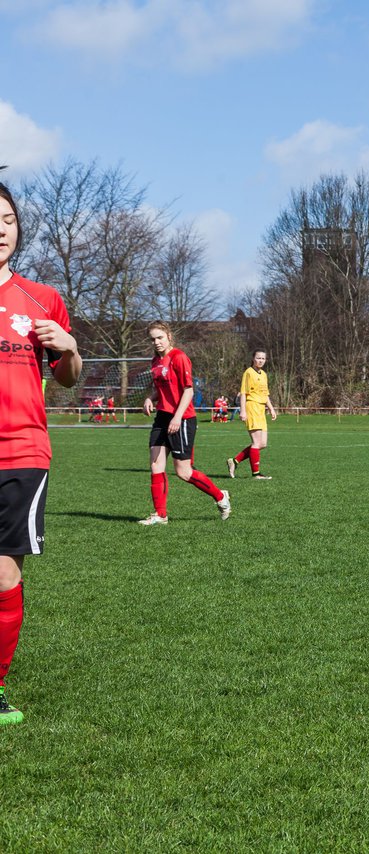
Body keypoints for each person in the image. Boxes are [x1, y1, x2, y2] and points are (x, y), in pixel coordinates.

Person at [0, 175, 83, 724]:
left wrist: (71, 346)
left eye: (6, 221)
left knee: (3, 572)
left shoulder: (42, 299)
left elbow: (70, 379)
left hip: (23, 451)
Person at [139, 321, 231, 525]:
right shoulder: (155, 361)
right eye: (153, 339)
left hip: (182, 418)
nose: (157, 342)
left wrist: (178, 417)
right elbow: (161, 388)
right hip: (162, 417)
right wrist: (149, 398)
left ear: (169, 336)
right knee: (156, 465)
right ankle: (160, 515)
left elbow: (188, 390)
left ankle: (220, 497)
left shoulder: (179, 358)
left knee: (183, 471)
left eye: (160, 337)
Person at [228, 349, 278, 480]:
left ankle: (234, 461)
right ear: (253, 359)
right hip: (252, 407)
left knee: (263, 443)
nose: (261, 360)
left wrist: (271, 409)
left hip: (261, 409)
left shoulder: (264, 374)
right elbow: (243, 393)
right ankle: (256, 474)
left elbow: (265, 394)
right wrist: (243, 410)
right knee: (256, 442)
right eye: (258, 358)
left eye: (263, 358)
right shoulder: (248, 373)